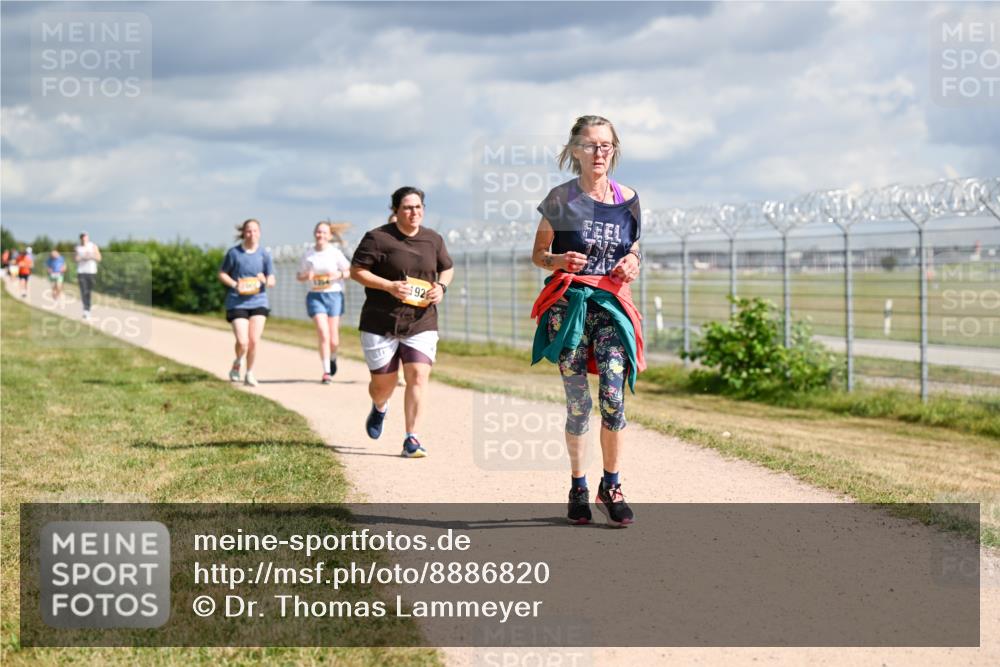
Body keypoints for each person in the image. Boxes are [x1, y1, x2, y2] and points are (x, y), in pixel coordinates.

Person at [530, 115, 646, 527]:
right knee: (579, 405)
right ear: (575, 150)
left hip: (612, 308)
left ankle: (610, 486)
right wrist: (558, 260)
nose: (599, 153)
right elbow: (539, 254)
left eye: (606, 145)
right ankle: (578, 488)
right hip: (571, 310)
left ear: (614, 151)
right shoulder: (560, 200)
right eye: (591, 145)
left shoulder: (628, 198)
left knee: (613, 399)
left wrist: (632, 261)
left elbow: (633, 249)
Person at [350, 186, 454, 458]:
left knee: (418, 376)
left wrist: (441, 287)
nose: (413, 212)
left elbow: (447, 267)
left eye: (418, 207)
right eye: (407, 207)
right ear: (395, 210)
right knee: (383, 385)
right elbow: (357, 271)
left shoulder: (433, 239)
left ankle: (412, 439)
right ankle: (380, 406)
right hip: (380, 321)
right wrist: (389, 286)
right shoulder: (377, 238)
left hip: (421, 320)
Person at [218, 219, 275, 387]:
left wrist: (264, 279)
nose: (252, 234)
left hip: (259, 301)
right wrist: (235, 284)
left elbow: (272, 280)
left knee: (254, 340)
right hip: (237, 302)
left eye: (255, 231)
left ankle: (249, 373)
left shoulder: (264, 254)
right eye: (249, 231)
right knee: (243, 341)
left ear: (260, 233)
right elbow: (222, 274)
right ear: (243, 233)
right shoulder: (234, 253)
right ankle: (238, 361)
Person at [296, 221, 351, 384]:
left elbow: (349, 271)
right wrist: (307, 275)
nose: (321, 235)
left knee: (334, 339)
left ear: (330, 235)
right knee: (323, 333)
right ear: (315, 234)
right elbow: (299, 276)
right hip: (315, 296)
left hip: (334, 295)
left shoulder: (335, 253)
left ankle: (333, 357)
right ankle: (326, 371)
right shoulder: (309, 255)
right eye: (318, 232)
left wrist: (338, 275)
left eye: (324, 232)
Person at [74, 232, 102, 319]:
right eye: (82, 238)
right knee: (83, 291)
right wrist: (83, 257)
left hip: (91, 272)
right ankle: (86, 310)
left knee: (88, 291)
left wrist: (91, 255)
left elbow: (99, 258)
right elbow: (75, 259)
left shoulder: (93, 246)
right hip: (81, 271)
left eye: (85, 237)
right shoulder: (78, 248)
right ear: (80, 239)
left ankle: (88, 308)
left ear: (87, 237)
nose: (84, 239)